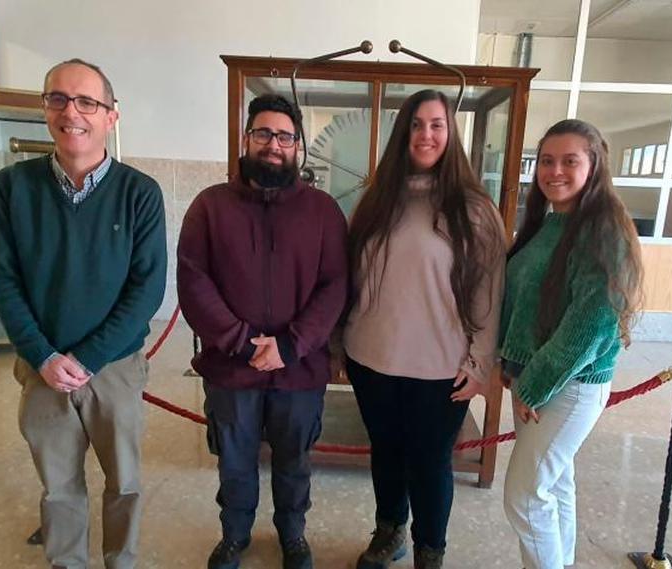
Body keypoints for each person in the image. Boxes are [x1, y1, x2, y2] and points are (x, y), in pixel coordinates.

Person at [0, 58, 167, 569]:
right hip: (43, 368)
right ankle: (67, 562)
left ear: (112, 115)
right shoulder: (12, 188)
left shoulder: (139, 193)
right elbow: (2, 279)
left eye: (88, 101)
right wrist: (42, 355)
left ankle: (120, 560)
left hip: (114, 367)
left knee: (125, 480)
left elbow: (146, 290)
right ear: (44, 109)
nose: (72, 112)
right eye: (58, 99)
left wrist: (87, 356)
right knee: (58, 486)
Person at [177, 94, 348, 569]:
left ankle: (293, 536)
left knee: (295, 462)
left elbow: (335, 285)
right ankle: (234, 536)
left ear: (299, 149)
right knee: (234, 462)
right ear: (246, 140)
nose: (274, 145)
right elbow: (193, 280)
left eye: (285, 137)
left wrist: (290, 345)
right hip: (232, 368)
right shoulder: (210, 207)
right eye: (264, 134)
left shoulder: (323, 211)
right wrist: (241, 341)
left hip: (299, 368)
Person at [342, 89, 506, 569]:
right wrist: (339, 343)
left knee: (431, 464)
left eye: (437, 124)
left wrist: (480, 363)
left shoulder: (474, 209)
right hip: (371, 357)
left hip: (441, 367)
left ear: (451, 134)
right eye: (417, 124)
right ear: (403, 134)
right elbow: (350, 277)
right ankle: (389, 530)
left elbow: (489, 293)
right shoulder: (375, 202)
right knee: (386, 453)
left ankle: (429, 551)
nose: (426, 134)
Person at [499, 119, 644, 569]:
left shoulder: (602, 232)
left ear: (594, 166)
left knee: (524, 498)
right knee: (554, 486)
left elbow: (592, 324)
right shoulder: (549, 224)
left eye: (569, 161)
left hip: (569, 385)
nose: (554, 171)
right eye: (546, 160)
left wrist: (533, 385)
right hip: (538, 382)